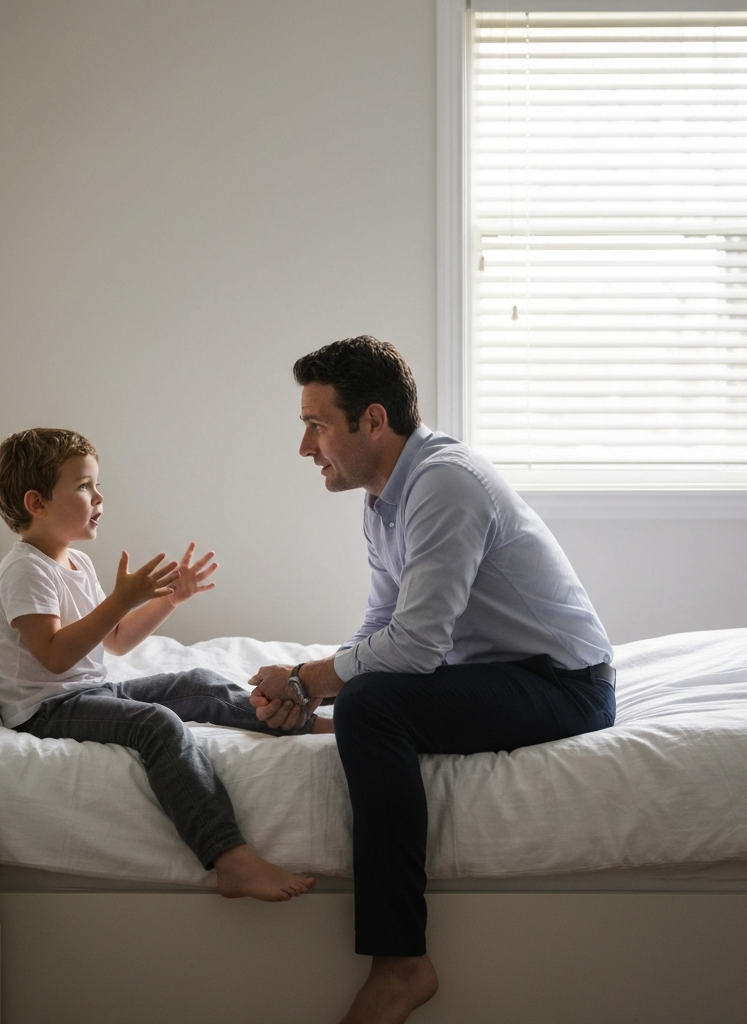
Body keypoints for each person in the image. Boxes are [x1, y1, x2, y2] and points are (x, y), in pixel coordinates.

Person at [249, 337, 616, 1024]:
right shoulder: (385, 496)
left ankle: (401, 968)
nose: (306, 447)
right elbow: (382, 624)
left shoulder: (445, 483)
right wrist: (313, 688)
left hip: (566, 685)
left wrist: (310, 681)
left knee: (371, 708)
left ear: (375, 421)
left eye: (317, 425)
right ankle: (397, 960)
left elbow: (415, 648)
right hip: (499, 671)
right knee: (360, 697)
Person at [0, 427, 331, 902]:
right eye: (84, 486)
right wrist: (121, 599)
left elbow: (118, 641)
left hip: (89, 691)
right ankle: (230, 859)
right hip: (44, 710)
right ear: (37, 503)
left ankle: (310, 726)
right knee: (157, 725)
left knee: (199, 684)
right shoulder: (24, 570)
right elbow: (56, 656)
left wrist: (168, 600)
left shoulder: (76, 564)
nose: (99, 496)